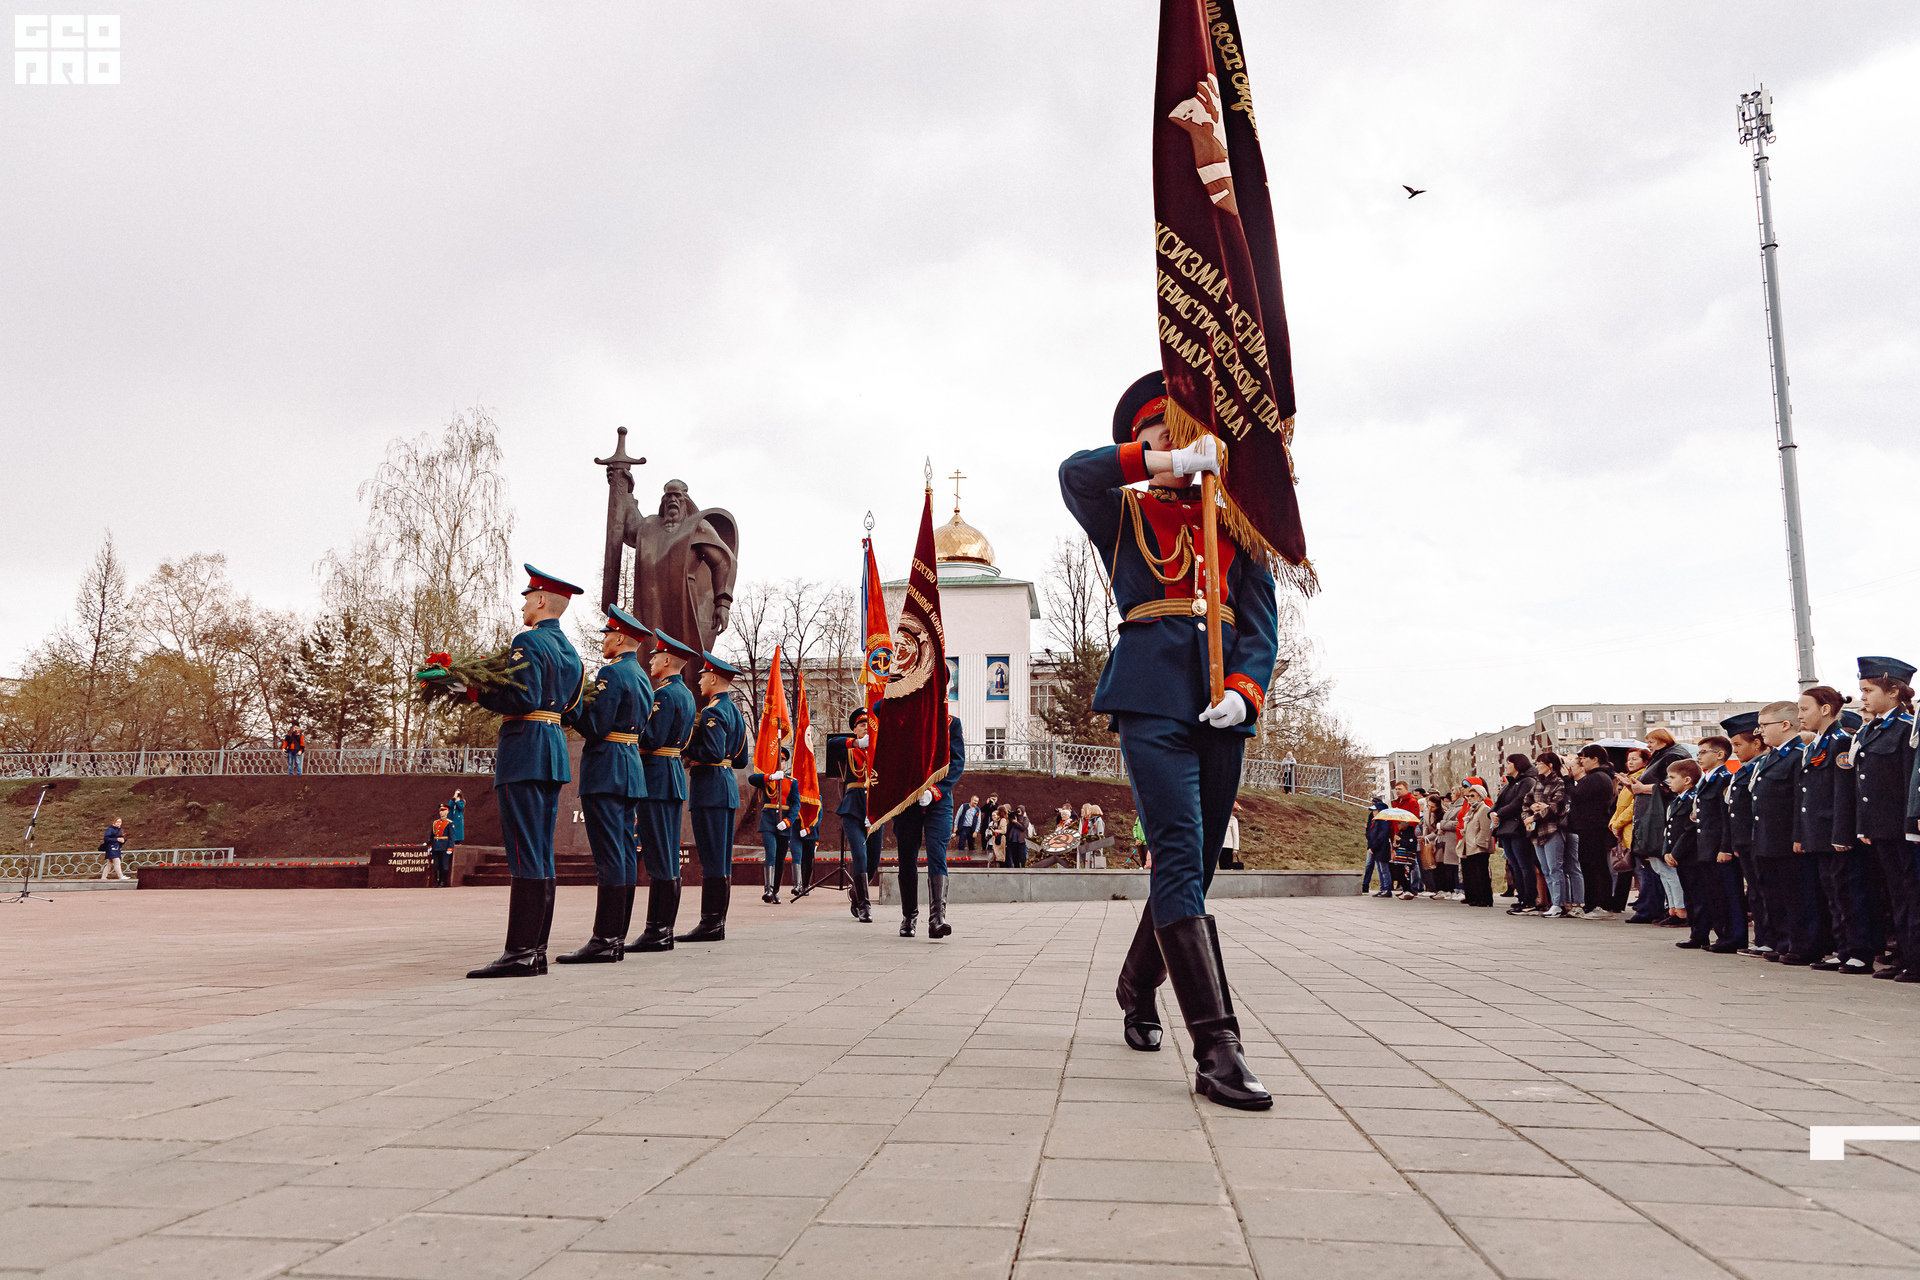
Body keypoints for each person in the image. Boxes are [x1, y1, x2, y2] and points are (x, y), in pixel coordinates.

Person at [1065, 372, 1280, 1111]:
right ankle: (1219, 1048)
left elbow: (1260, 625)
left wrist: (1245, 690)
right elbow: (1072, 473)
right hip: (1151, 693)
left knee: (1195, 869)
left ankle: (1135, 981)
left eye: (1189, 435)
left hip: (1219, 700)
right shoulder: (1122, 512)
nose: (1177, 445)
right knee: (1181, 853)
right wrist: (1157, 462)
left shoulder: (1237, 522)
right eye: (1163, 435)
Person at [463, 565, 585, 979]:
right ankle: (536, 950)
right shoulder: (570, 651)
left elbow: (521, 697)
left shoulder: (528, 641)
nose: (523, 603)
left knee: (523, 853)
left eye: (527, 596)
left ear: (540, 601)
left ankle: (519, 952)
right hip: (551, 748)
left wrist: (476, 689)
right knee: (540, 852)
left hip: (525, 749)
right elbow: (568, 705)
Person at [550, 606, 651, 963]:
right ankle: (617, 937)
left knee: (609, 857)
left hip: (606, 768)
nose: (605, 640)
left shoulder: (612, 673)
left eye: (607, 635)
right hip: (629, 769)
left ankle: (605, 939)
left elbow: (597, 727)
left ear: (621, 637)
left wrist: (570, 706)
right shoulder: (640, 675)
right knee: (623, 854)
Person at [627, 630, 700, 951]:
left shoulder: (665, 694)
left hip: (656, 775)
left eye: (655, 656)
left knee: (658, 855)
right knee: (668, 854)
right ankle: (663, 930)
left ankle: (657, 932)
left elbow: (650, 738)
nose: (651, 660)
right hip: (671, 774)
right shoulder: (684, 694)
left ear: (668, 660)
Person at [1798, 684, 1871, 974]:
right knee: (1833, 894)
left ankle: (1860, 951)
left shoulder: (1841, 741)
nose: (1800, 715)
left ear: (1825, 709)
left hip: (1836, 833)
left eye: (1805, 709)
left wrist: (1842, 833)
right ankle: (1843, 949)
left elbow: (1843, 793)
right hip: (1820, 833)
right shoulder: (1818, 743)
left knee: (1848, 893)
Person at [1853, 657, 1918, 980]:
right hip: (1880, 827)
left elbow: (1910, 780)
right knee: (1896, 895)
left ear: (1893, 691)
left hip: (1902, 827)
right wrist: (1864, 824)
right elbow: (1866, 785)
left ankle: (1916, 959)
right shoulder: (1872, 731)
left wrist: (1911, 822)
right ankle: (1905, 955)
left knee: (1912, 893)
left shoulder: (1907, 729)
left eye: (1868, 690)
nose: (1862, 696)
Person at [680, 652, 749, 939]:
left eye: (702, 676)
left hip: (709, 788)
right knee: (720, 859)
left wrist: (686, 750)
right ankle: (717, 922)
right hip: (726, 787)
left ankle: (710, 924)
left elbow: (712, 752)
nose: (698, 681)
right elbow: (742, 759)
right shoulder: (735, 712)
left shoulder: (713, 712)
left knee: (711, 859)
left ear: (713, 678)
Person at [1752, 701, 1818, 964]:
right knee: (1774, 895)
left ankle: (1803, 945)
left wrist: (1799, 835)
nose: (1760, 732)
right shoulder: (1771, 756)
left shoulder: (1798, 754)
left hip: (1787, 839)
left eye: (1764, 725)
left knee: (1797, 896)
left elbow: (1801, 801)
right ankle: (1783, 941)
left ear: (1785, 724)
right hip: (1767, 838)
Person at [892, 708, 965, 939]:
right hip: (908, 798)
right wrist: (893, 687)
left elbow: (957, 763)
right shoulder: (905, 717)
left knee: (937, 852)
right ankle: (909, 916)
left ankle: (937, 918)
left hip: (939, 799)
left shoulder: (951, 723)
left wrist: (936, 791)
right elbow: (876, 710)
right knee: (907, 856)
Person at [1721, 712, 1773, 957]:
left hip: (1756, 839)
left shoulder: (1761, 766)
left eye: (1738, 745)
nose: (1735, 751)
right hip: (1743, 841)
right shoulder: (1743, 770)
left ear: (1756, 742)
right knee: (1755, 891)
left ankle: (1769, 939)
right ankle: (1762, 938)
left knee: (1764, 891)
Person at [1688, 735, 1746, 953]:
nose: (1699, 757)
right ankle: (1723, 935)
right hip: (1707, 847)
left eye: (1704, 752)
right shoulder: (1708, 778)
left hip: (1719, 848)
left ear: (1720, 754)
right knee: (1715, 895)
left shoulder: (1723, 778)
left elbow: (1726, 818)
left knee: (1728, 894)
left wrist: (1725, 847)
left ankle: (1734, 936)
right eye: (1698, 752)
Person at [835, 709, 879, 923]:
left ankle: (856, 892)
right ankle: (864, 905)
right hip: (853, 807)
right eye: (861, 725)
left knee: (873, 860)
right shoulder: (850, 749)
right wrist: (856, 743)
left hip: (875, 809)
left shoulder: (879, 751)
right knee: (859, 856)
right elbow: (832, 744)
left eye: (868, 725)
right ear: (854, 729)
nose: (865, 728)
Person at [1527, 754, 1579, 917]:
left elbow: (1556, 808)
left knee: (1555, 867)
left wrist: (1535, 815)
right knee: (1545, 869)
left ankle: (1559, 903)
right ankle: (1554, 902)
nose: (1537, 766)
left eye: (1540, 763)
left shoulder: (1559, 783)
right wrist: (1527, 816)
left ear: (1550, 765)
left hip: (1553, 830)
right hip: (1537, 831)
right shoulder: (1537, 783)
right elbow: (1526, 803)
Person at [1569, 746, 1617, 917]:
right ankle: (1591, 904)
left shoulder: (1598, 777)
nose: (1582, 763)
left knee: (1596, 865)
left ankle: (1601, 904)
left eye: (1585, 759)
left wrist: (1567, 780)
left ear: (1595, 759)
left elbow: (1576, 795)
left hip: (1594, 826)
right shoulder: (1597, 777)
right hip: (1588, 826)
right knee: (1588, 864)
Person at [751, 748, 799, 905]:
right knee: (770, 853)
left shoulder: (792, 782)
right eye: (779, 760)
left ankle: (776, 890)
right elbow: (752, 778)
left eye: (784, 760)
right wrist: (771, 776)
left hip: (783, 823)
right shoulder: (767, 779)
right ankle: (768, 890)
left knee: (780, 858)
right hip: (768, 822)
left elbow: (796, 804)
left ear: (786, 763)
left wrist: (787, 822)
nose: (781, 763)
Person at [1493, 755, 1539, 914]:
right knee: (1515, 865)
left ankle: (1530, 899)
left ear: (1518, 764)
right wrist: (1492, 813)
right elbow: (1498, 802)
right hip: (1506, 829)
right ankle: (1521, 898)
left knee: (1524, 864)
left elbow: (1519, 802)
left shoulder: (1527, 781)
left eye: (1509, 763)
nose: (1506, 766)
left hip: (1519, 828)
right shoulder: (1510, 783)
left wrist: (1499, 813)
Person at [1459, 782, 1496, 906]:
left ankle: (1485, 899)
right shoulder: (1472, 810)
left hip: (1479, 847)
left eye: (1472, 796)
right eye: (1468, 796)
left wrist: (1479, 843)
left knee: (1482, 874)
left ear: (1480, 796)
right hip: (1471, 846)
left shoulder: (1484, 809)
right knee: (1474, 874)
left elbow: (1485, 829)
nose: (1469, 798)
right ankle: (1476, 897)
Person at [1362, 798, 1394, 896]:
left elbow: (1381, 836)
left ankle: (1387, 889)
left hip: (1382, 848)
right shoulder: (1375, 821)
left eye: (1375, 810)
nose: (1373, 812)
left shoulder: (1383, 821)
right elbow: (1371, 834)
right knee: (1379, 870)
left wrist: (1373, 847)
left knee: (1384, 869)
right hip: (1376, 848)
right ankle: (1382, 888)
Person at [429, 804, 455, 889]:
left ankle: (442, 881)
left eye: (443, 810)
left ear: (447, 811)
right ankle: (436, 882)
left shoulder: (449, 823)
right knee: (436, 865)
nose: (441, 812)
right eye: (440, 810)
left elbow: (451, 836)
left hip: (444, 846)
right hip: (436, 846)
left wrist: (450, 847)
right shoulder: (435, 823)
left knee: (444, 865)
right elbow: (432, 836)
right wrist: (430, 846)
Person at [1218, 802, 1242, 872]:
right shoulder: (1220, 820)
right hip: (1220, 846)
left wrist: (1235, 848)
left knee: (1228, 866)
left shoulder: (1233, 820)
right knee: (1222, 865)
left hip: (1229, 847)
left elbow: (1235, 835)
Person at [1007, 804, 1030, 869]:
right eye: (1018, 810)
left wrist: (1016, 822)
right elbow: (1010, 821)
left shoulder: (1025, 818)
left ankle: (1023, 868)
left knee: (1022, 856)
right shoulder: (1015, 817)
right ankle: (1016, 868)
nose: (1018, 812)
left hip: (1021, 840)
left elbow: (1023, 828)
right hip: (1013, 840)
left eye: (1020, 810)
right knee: (1015, 857)